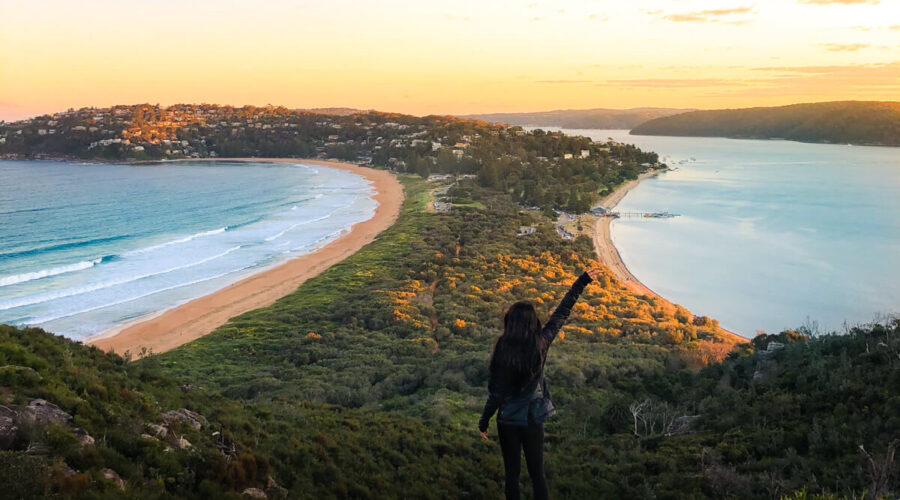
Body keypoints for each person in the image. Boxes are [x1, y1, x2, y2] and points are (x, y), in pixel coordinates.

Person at [478, 268, 600, 500]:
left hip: (507, 420)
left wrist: (484, 422)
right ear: (532, 324)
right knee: (537, 475)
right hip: (533, 419)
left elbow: (495, 394)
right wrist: (582, 281)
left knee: (511, 475)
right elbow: (561, 313)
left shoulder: (501, 349)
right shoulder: (540, 344)